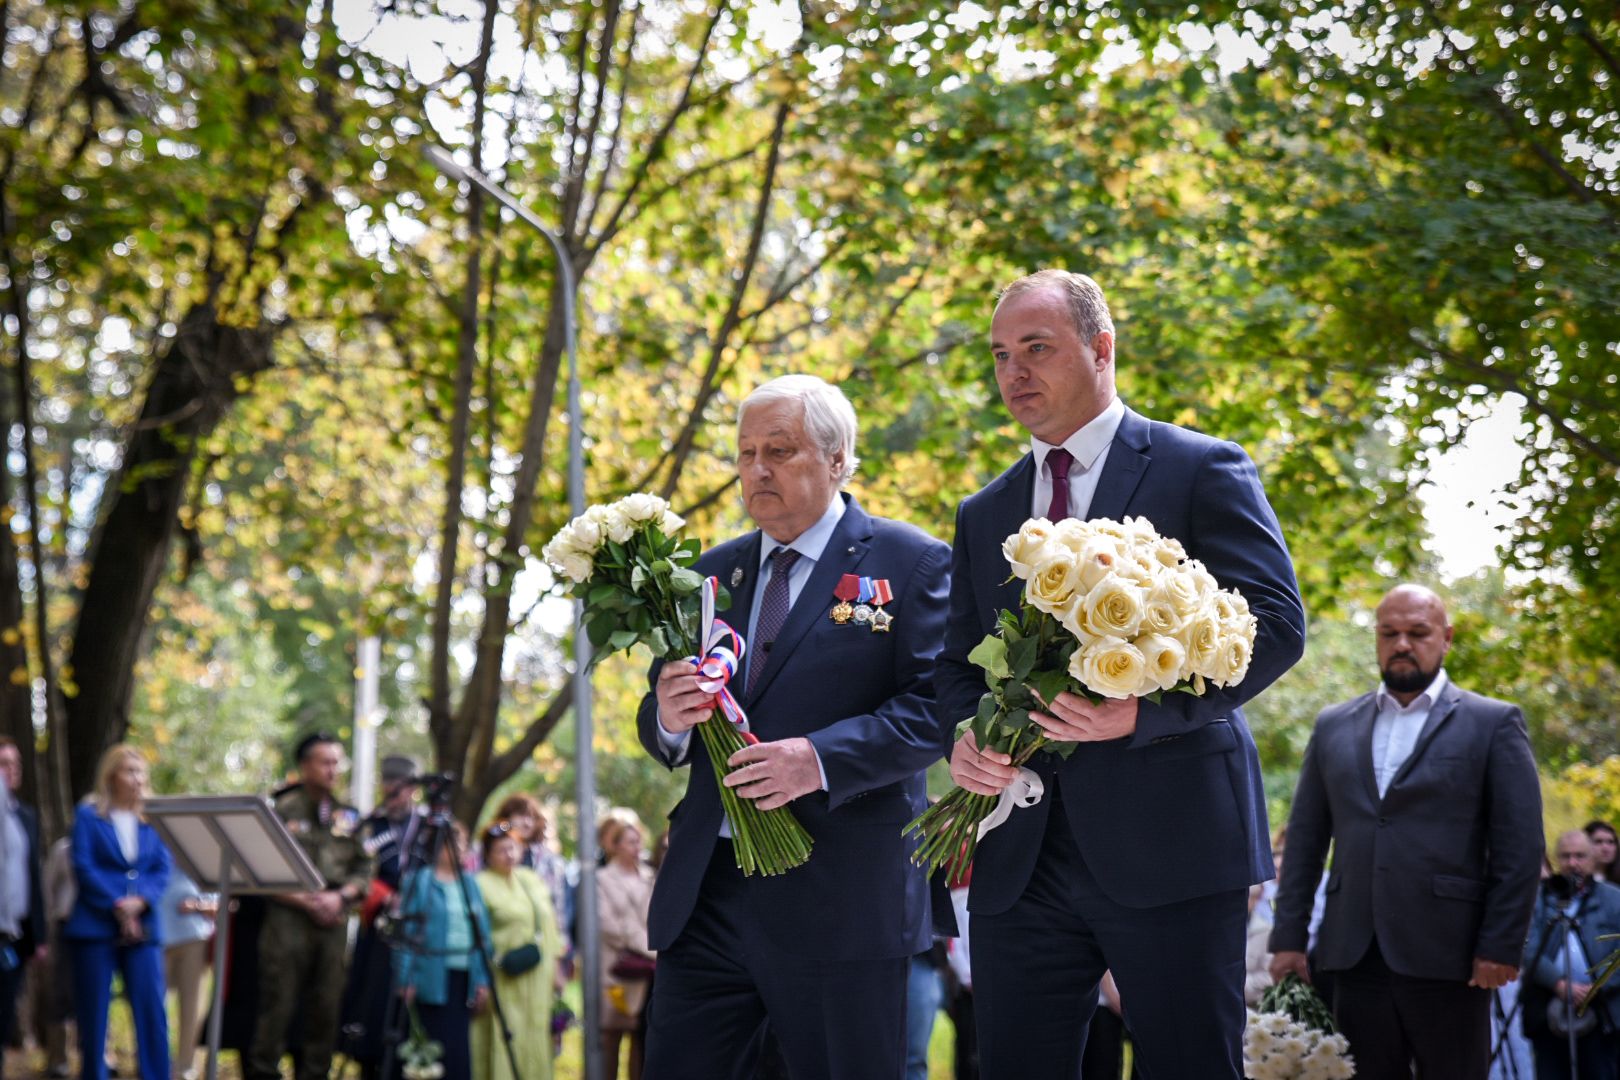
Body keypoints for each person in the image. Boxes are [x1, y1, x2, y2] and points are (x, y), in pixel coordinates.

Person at [939, 270, 1305, 1078]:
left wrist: (1143, 713)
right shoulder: (983, 513)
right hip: (1020, 856)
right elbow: (955, 666)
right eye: (1001, 355)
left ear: (1102, 348)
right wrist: (964, 739)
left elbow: (1277, 626)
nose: (1014, 373)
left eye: (1037, 348)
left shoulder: (1201, 467)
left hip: (1172, 841)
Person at [636, 373, 951, 1080]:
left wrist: (817, 758)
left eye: (778, 451)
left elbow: (936, 709)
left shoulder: (913, 562)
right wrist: (669, 713)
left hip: (840, 897)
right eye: (746, 453)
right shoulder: (708, 575)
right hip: (708, 896)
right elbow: (659, 722)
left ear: (838, 459)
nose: (756, 470)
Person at [1269, 584, 1544, 1079]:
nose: (1402, 644)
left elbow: (1519, 847)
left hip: (1453, 956)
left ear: (1446, 638)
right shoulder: (1333, 725)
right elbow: (1306, 841)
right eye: (1389, 633)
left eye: (1418, 633)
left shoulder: (1493, 722)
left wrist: (1501, 945)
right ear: (1376, 638)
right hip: (1352, 954)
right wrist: (1288, 937)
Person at [245, 732, 373, 1080]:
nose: (333, 770)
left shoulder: (348, 815)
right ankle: (262, 1072)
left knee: (326, 1008)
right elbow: (260, 869)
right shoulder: (279, 810)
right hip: (287, 920)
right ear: (304, 766)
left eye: (337, 762)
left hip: (333, 921)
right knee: (277, 1006)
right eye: (325, 761)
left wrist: (341, 896)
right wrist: (303, 900)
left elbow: (365, 868)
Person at [64, 744, 173, 1080]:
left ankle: (156, 1074)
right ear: (111, 776)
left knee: (152, 1010)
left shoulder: (153, 818)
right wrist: (118, 905)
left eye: (141, 771)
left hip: (144, 926)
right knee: (94, 1012)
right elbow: (83, 865)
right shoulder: (88, 814)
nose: (137, 779)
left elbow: (161, 868)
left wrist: (140, 902)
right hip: (95, 925)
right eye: (130, 771)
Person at [341, 753, 423, 1078]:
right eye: (389, 784)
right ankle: (367, 1061)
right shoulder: (369, 825)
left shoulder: (429, 826)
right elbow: (354, 871)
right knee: (371, 999)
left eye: (402, 786)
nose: (395, 791)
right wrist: (382, 895)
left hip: (418, 929)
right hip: (378, 927)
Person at [394, 820, 491, 1080]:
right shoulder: (420, 882)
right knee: (429, 1049)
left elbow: (483, 936)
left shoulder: (470, 884)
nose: (462, 850)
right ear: (441, 846)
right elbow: (405, 936)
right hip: (429, 979)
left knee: (458, 1054)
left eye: (463, 843)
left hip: (463, 980)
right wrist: (405, 979)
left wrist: (482, 980)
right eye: (456, 843)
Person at [1520, 830, 1620, 1079]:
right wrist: (1559, 983)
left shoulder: (1613, 899)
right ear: (1556, 858)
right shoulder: (1538, 898)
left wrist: (1598, 985)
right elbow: (1526, 946)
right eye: (1566, 856)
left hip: (1603, 1012)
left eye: (1580, 856)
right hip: (1548, 1010)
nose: (1573, 863)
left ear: (1593, 858)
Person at [472, 820, 561, 1080]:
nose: (509, 855)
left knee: (536, 1035)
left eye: (513, 848)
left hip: (537, 976)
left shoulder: (530, 880)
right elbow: (478, 936)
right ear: (488, 855)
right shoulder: (480, 884)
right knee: (505, 1035)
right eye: (501, 850)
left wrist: (557, 968)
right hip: (503, 977)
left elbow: (550, 925)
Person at [0, 737, 45, 1080]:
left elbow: (33, 877)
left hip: (13, 936)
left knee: (3, 1018)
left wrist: (37, 937)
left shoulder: (27, 816)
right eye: (3, 763)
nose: (11, 770)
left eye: (14, 763)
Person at [597, 809, 653, 1080]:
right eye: (630, 841)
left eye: (638, 840)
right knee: (610, 1040)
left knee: (642, 1043)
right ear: (616, 846)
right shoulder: (601, 879)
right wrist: (651, 948)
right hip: (617, 971)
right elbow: (610, 926)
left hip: (649, 974)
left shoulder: (650, 876)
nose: (636, 847)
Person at [158, 871, 215, 1080]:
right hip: (157, 935)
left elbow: (219, 895)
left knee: (193, 1007)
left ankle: (186, 1069)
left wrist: (200, 906)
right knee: (156, 1005)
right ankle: (157, 1064)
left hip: (195, 934)